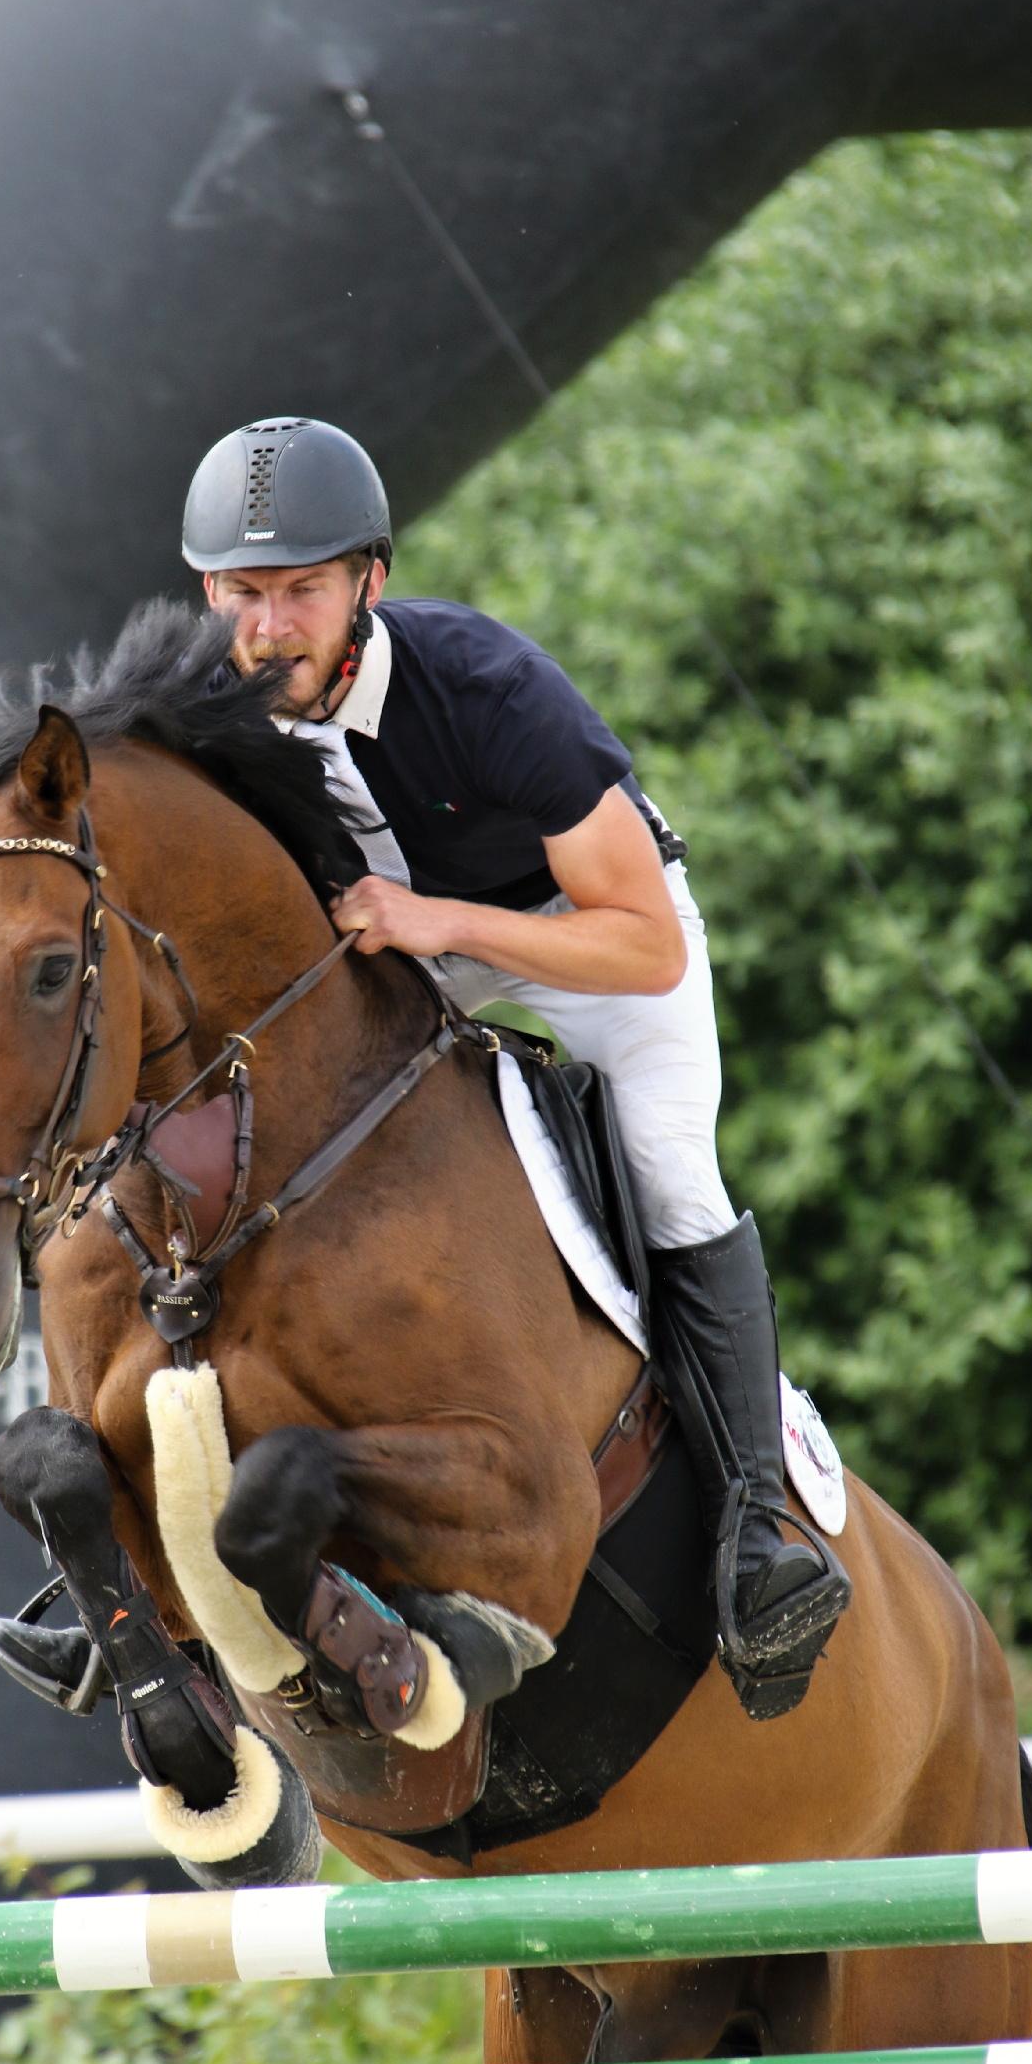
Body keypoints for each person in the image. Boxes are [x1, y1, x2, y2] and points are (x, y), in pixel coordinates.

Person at [179, 416, 850, 1717]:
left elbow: (645, 943)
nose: (268, 630)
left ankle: (756, 1536)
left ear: (370, 580)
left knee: (670, 1174)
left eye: (301, 590)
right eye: (241, 594)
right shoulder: (217, 706)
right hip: (399, 958)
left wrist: (438, 920)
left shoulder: (484, 685)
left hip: (583, 940)